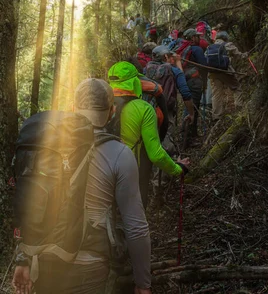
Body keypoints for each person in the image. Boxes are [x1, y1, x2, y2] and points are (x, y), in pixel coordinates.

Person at [12, 78, 152, 294]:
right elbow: (136, 227)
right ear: (112, 111)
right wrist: (143, 283)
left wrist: (23, 258)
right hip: (89, 266)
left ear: (73, 108)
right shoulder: (120, 154)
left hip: (45, 260)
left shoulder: (49, 145)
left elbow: (30, 203)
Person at [107, 61, 190, 206]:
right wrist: (178, 169)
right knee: (134, 216)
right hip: (132, 172)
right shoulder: (144, 109)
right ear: (136, 82)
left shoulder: (99, 105)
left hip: (103, 170)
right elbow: (156, 155)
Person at [145, 45, 195, 154]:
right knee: (166, 142)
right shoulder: (174, 70)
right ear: (165, 57)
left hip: (148, 110)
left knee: (152, 140)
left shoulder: (146, 68)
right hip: (166, 112)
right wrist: (191, 113)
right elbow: (185, 93)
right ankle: (168, 167)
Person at [176, 29, 208, 142]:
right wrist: (205, 82)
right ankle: (188, 138)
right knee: (193, 108)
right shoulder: (197, 49)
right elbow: (204, 66)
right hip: (194, 81)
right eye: (197, 36)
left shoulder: (182, 49)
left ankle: (190, 134)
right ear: (193, 38)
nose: (199, 38)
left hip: (185, 80)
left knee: (189, 107)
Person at [208, 31, 247, 121]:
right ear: (225, 38)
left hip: (212, 73)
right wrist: (246, 55)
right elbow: (239, 55)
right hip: (225, 71)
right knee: (237, 88)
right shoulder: (228, 44)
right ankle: (239, 109)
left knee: (216, 94)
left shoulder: (210, 47)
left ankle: (216, 116)